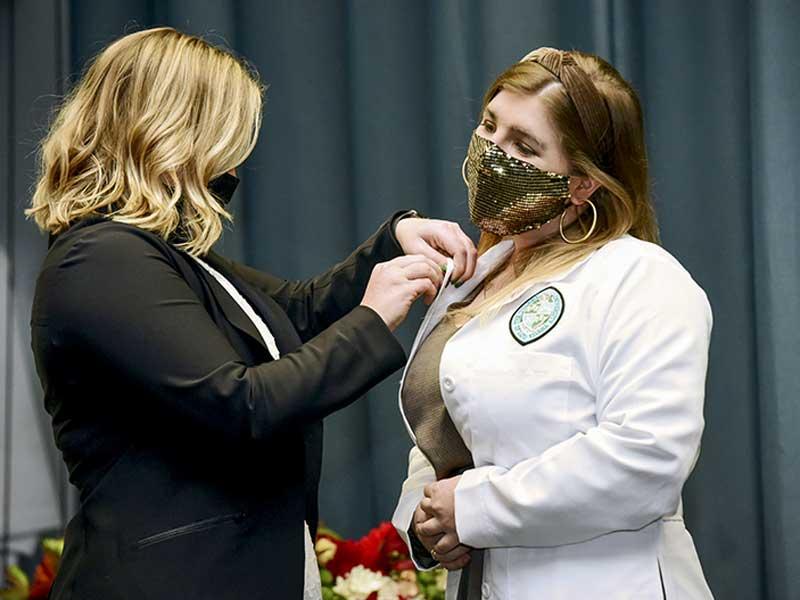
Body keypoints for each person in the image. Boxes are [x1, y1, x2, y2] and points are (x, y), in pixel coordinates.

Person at [26, 27, 478, 600]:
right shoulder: (101, 258)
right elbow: (243, 404)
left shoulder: (165, 255)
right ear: (177, 133)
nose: (236, 159)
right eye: (229, 136)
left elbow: (294, 311)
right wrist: (372, 317)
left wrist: (394, 241)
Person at [392, 47, 714, 599]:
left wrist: (474, 508)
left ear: (582, 184)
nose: (492, 153)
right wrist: (426, 523)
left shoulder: (639, 277)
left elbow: (649, 458)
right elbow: (446, 434)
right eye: (490, 126)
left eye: (524, 146)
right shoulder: (475, 275)